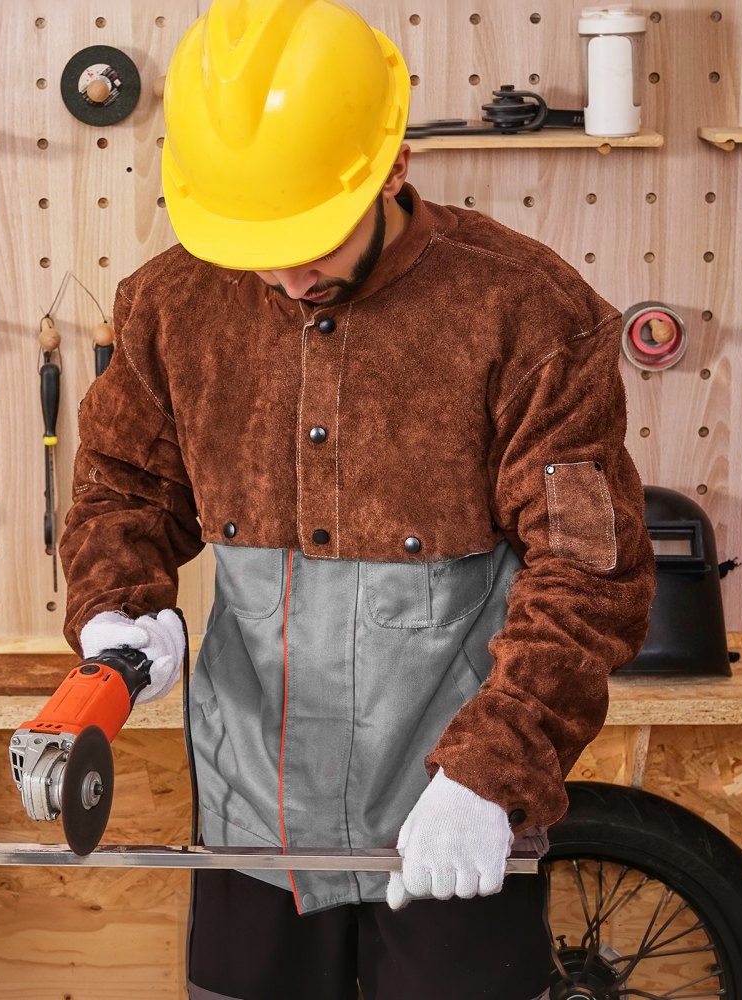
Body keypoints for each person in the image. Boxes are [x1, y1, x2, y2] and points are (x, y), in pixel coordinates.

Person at [59, 1, 656, 997]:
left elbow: (586, 572)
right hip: (253, 819)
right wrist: (116, 605)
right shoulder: (173, 304)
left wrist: (493, 772)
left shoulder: (524, 311)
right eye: (258, 243)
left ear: (392, 169)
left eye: (315, 239)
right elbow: (124, 482)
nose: (288, 276)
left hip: (449, 814)